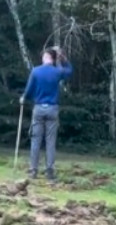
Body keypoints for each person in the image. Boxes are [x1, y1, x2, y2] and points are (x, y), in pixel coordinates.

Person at [21, 46, 73, 181]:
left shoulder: (36, 71)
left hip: (38, 108)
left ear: (46, 57)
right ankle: (49, 171)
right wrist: (63, 59)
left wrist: (24, 98)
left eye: (43, 56)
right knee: (50, 141)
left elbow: (29, 89)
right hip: (52, 109)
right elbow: (69, 71)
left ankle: (33, 170)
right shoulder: (57, 72)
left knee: (36, 140)